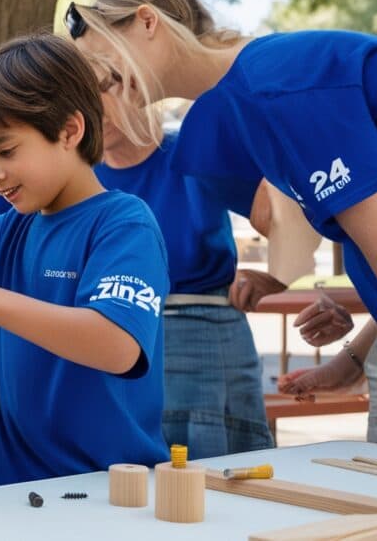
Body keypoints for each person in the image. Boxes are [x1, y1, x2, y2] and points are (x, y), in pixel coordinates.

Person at [67, 0, 377, 434]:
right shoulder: (239, 105)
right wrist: (356, 356)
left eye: (102, 57)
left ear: (147, 22)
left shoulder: (278, 84)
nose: (100, 81)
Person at [0, 33, 169, 486]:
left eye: (6, 151)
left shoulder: (125, 225)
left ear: (70, 130)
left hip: (107, 491)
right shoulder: (11, 230)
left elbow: (117, 345)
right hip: (11, 491)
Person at [94, 85, 272, 458]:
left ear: (139, 85)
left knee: (210, 481)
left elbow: (283, 206)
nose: (94, 107)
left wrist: (278, 274)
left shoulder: (194, 151)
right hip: (107, 342)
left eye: (104, 88)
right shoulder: (82, 178)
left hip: (198, 331)